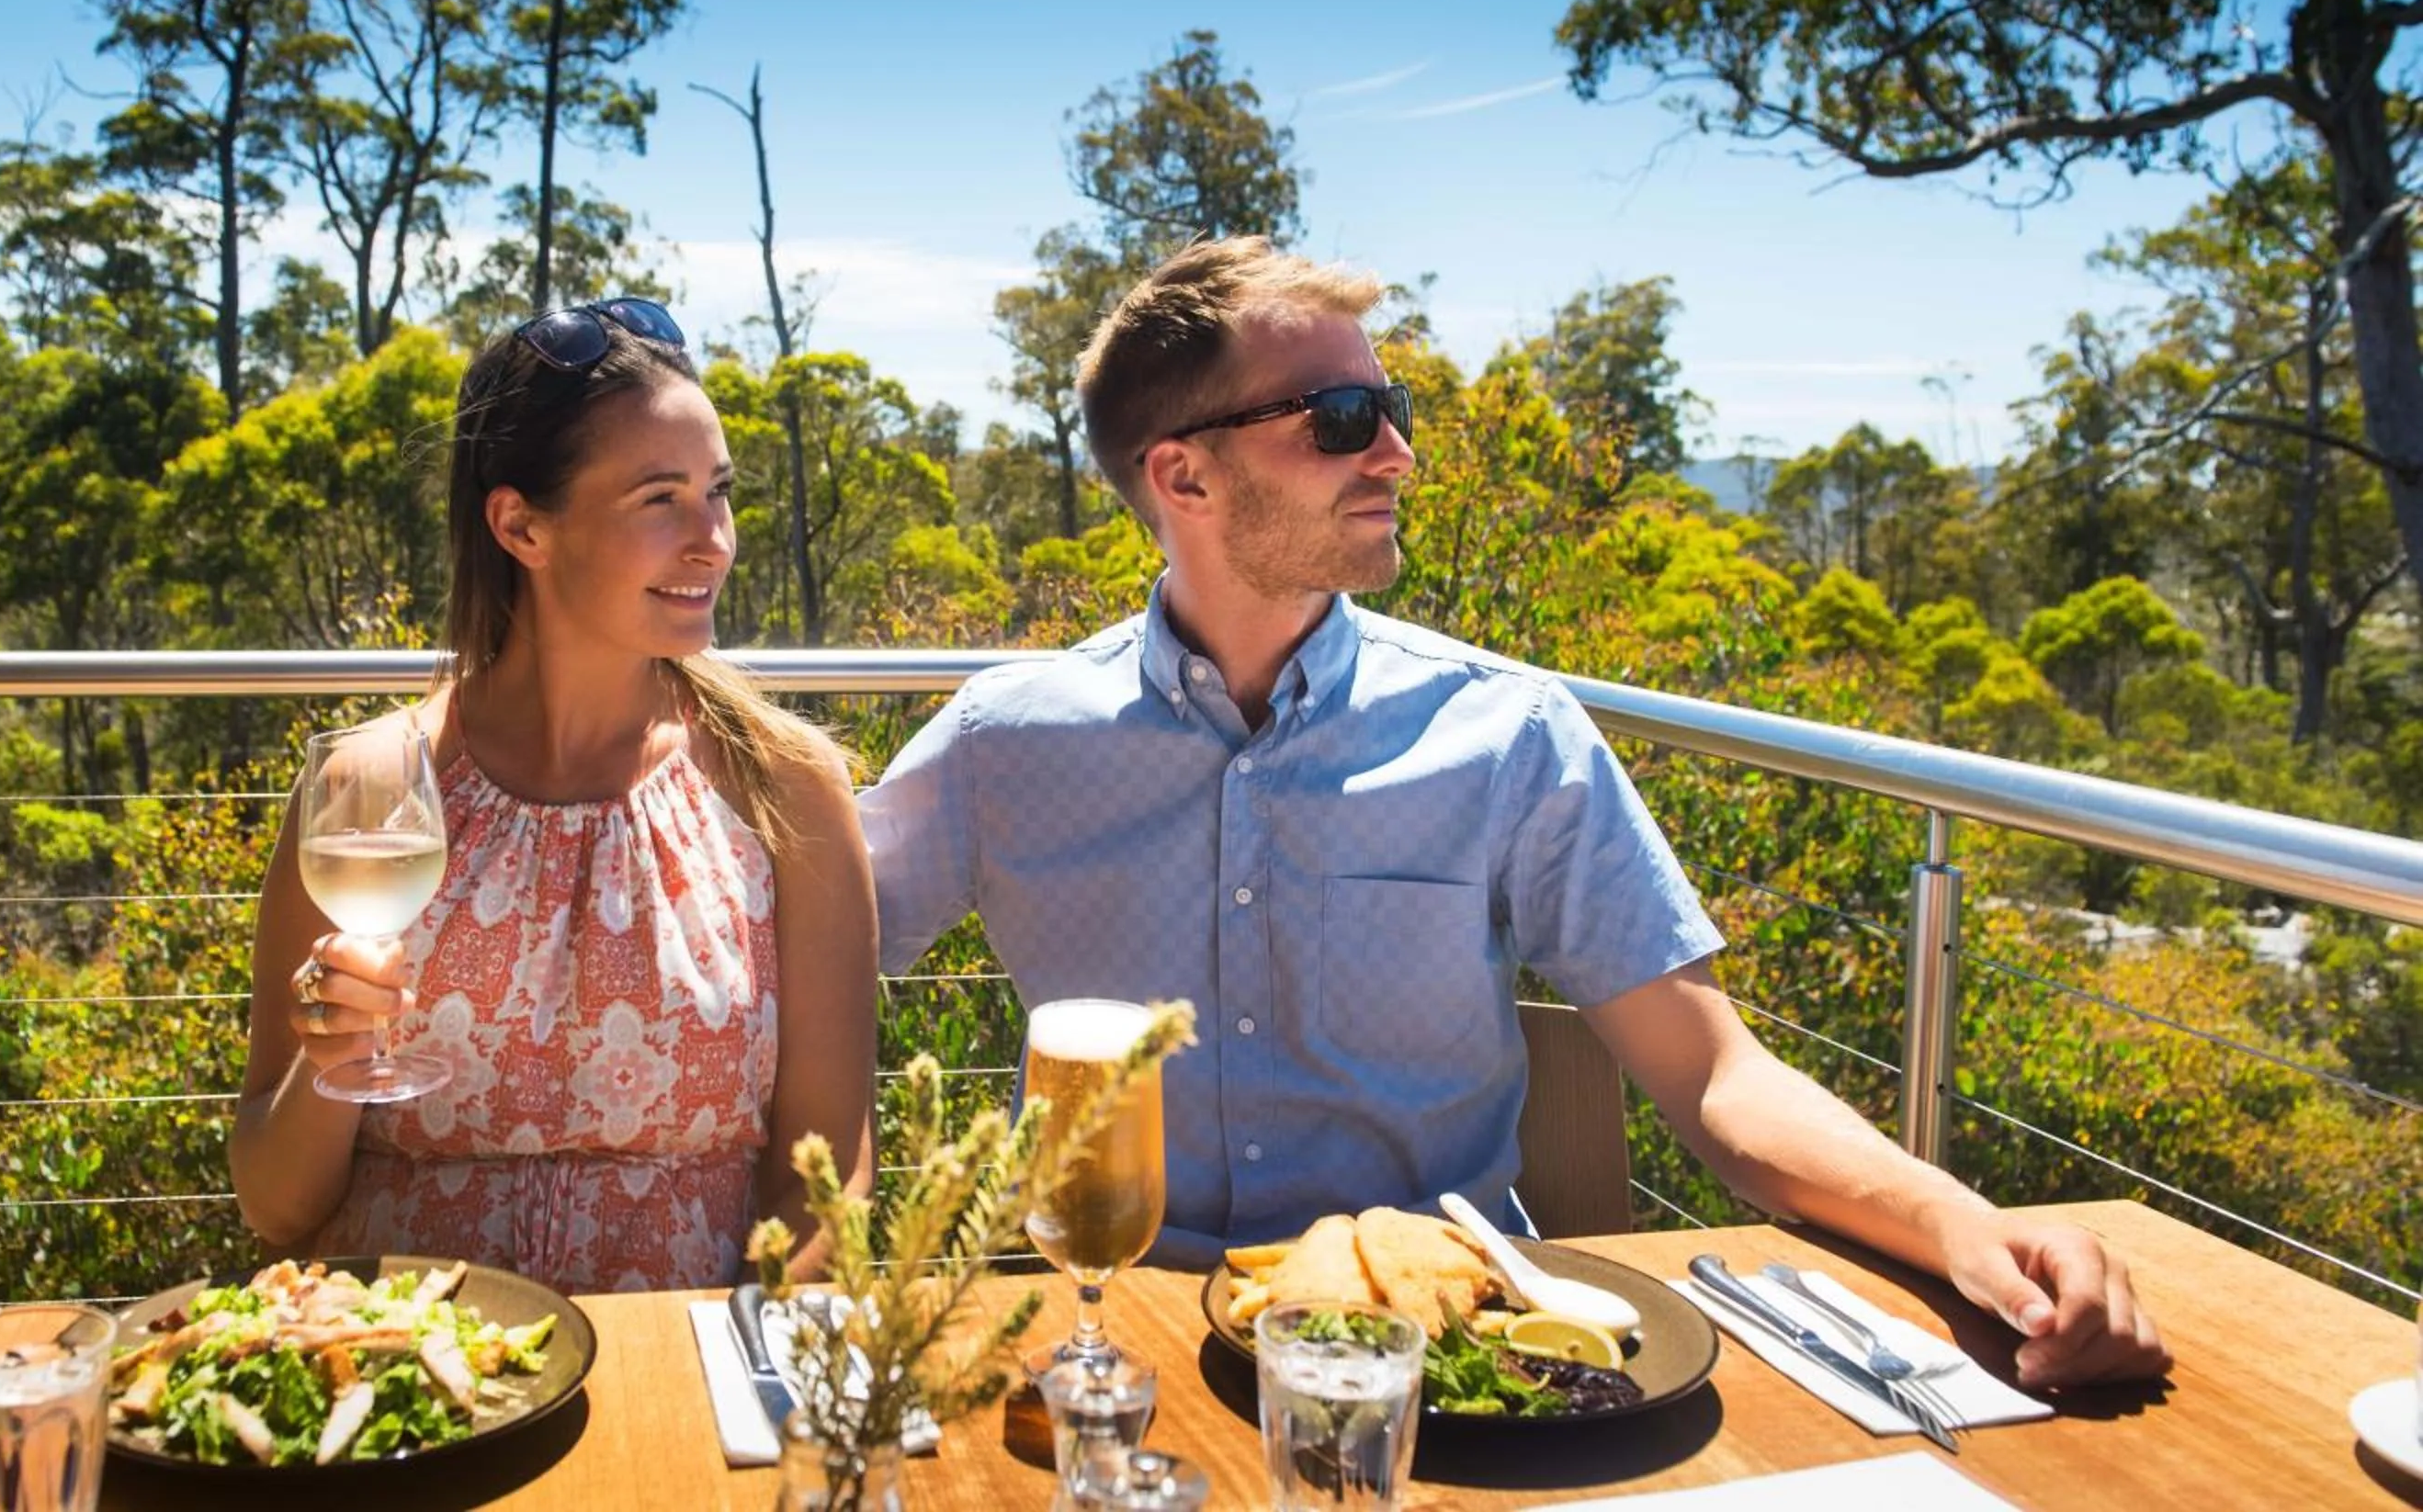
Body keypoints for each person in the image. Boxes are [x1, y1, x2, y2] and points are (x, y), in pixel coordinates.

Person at [860, 239, 2169, 1387]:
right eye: (1341, 415)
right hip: (1120, 1346)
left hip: (1466, 1361)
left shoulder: (1509, 734)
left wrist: (1961, 1224)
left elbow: (1713, 1074)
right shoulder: (1004, 744)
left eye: (1393, 406)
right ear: (1183, 479)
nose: (1398, 451)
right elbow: (779, 987)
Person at [232, 299, 877, 1292]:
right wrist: (335, 1055)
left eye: (720, 492)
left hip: (686, 1369)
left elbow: (828, 1182)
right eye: (661, 499)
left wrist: (727, 1367)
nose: (714, 540)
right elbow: (276, 1208)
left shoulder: (784, 788)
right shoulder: (368, 791)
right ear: (520, 524)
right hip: (416, 1379)